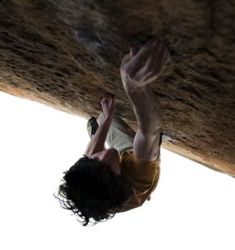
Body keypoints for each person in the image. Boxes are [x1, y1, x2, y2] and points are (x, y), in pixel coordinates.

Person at [56, 39, 169, 226]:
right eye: (107, 167)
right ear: (118, 178)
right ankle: (104, 137)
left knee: (102, 120)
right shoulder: (137, 178)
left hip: (104, 181)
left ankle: (98, 128)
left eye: (96, 160)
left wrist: (108, 116)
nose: (106, 154)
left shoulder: (87, 176)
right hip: (131, 172)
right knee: (150, 140)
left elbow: (92, 155)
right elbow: (150, 129)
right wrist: (133, 85)